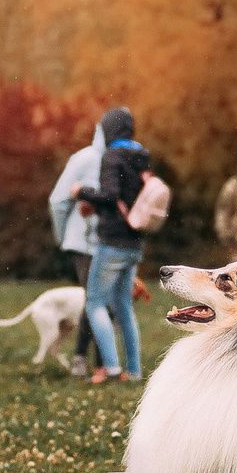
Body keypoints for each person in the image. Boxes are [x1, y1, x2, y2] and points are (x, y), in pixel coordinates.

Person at [71, 106, 150, 384]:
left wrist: (81, 192)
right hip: (135, 241)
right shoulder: (141, 156)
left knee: (94, 303)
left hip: (113, 241)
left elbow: (110, 195)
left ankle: (113, 369)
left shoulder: (112, 155)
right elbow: (129, 197)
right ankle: (135, 370)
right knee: (124, 306)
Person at [46, 118, 107, 377]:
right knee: (94, 299)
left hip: (108, 241)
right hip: (83, 242)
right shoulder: (84, 158)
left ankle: (102, 362)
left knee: (102, 301)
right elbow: (58, 200)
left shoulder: (121, 161)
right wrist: (64, 236)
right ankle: (83, 359)